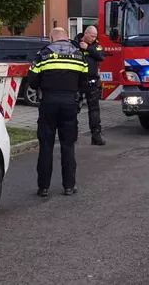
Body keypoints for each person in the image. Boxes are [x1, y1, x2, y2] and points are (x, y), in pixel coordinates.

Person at [27, 27, 88, 197]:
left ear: (51, 38)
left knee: (46, 145)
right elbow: (85, 82)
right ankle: (69, 186)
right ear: (66, 38)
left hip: (48, 103)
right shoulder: (78, 54)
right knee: (68, 146)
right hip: (70, 103)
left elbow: (32, 81)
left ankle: (43, 187)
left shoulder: (43, 54)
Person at [72, 25, 107, 146]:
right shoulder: (74, 44)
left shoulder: (95, 46)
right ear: (85, 34)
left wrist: (88, 48)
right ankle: (72, 136)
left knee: (94, 111)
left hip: (92, 82)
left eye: (95, 36)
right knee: (73, 109)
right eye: (91, 36)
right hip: (77, 82)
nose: (93, 38)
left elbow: (101, 56)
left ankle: (96, 136)